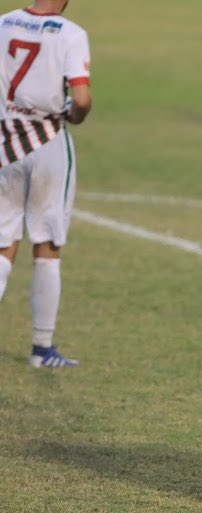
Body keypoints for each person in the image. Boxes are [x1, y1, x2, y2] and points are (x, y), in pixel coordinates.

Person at [0, 0, 92, 368]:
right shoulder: (70, 34)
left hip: (5, 144)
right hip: (47, 144)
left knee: (3, 245)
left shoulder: (3, 23)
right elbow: (81, 98)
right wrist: (75, 112)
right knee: (47, 242)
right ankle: (41, 348)